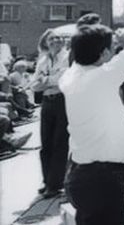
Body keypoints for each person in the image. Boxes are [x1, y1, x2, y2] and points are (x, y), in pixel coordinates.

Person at [60, 25, 124, 225]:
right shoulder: (102, 77)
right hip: (101, 180)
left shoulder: (70, 77)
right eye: (112, 47)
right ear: (104, 53)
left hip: (83, 173)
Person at [31, 30, 70, 197]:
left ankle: (55, 185)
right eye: (51, 38)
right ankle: (47, 180)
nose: (55, 40)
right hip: (47, 102)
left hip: (62, 101)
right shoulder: (42, 60)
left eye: (58, 38)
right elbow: (34, 85)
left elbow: (63, 80)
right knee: (45, 143)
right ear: (45, 42)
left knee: (59, 142)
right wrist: (49, 80)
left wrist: (45, 80)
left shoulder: (67, 57)